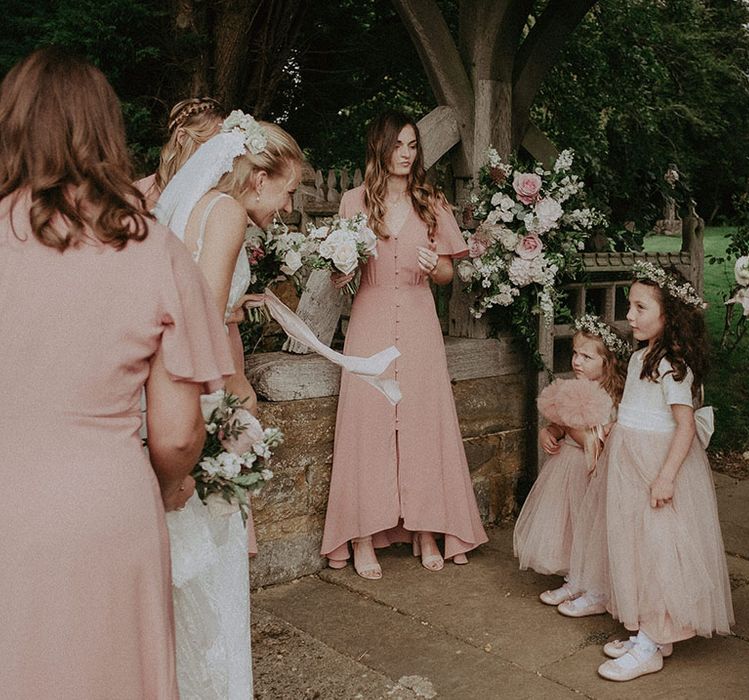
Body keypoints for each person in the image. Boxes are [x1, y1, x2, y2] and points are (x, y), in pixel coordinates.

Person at [0, 48, 233, 699]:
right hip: (107, 509)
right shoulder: (151, 248)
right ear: (106, 132)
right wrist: (167, 486)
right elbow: (178, 433)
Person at [155, 109, 303, 698]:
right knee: (214, 560)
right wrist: (240, 395)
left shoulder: (196, 206)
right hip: (206, 395)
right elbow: (204, 321)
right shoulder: (230, 214)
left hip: (177, 388)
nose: (288, 207)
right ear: (257, 176)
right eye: (288, 191)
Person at [320, 110, 488, 579]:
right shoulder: (354, 202)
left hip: (418, 322)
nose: (406, 154)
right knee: (368, 424)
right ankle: (361, 537)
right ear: (380, 147)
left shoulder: (432, 200)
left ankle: (429, 528)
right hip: (369, 321)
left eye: (413, 145)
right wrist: (342, 268)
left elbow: (449, 274)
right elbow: (342, 276)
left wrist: (436, 266)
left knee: (421, 421)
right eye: (398, 145)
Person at [570, 263, 733, 682]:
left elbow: (684, 426)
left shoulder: (672, 364)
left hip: (657, 464)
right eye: (630, 305)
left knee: (659, 551)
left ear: (670, 314)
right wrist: (613, 425)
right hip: (629, 460)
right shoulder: (643, 355)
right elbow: (638, 407)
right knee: (635, 547)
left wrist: (665, 477)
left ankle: (652, 644)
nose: (630, 315)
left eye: (641, 307)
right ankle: (651, 632)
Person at [513, 316, 629, 603]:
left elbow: (606, 435)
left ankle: (592, 582)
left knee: (591, 527)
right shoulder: (568, 389)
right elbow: (561, 422)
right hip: (568, 467)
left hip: (595, 469)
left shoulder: (616, 397)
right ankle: (573, 578)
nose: (577, 361)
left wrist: (581, 432)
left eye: (587, 356)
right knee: (571, 525)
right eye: (576, 353)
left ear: (608, 362)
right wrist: (548, 431)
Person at [135, 97, 225, 210]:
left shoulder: (221, 194)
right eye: (213, 144)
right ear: (182, 138)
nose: (221, 154)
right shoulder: (140, 192)